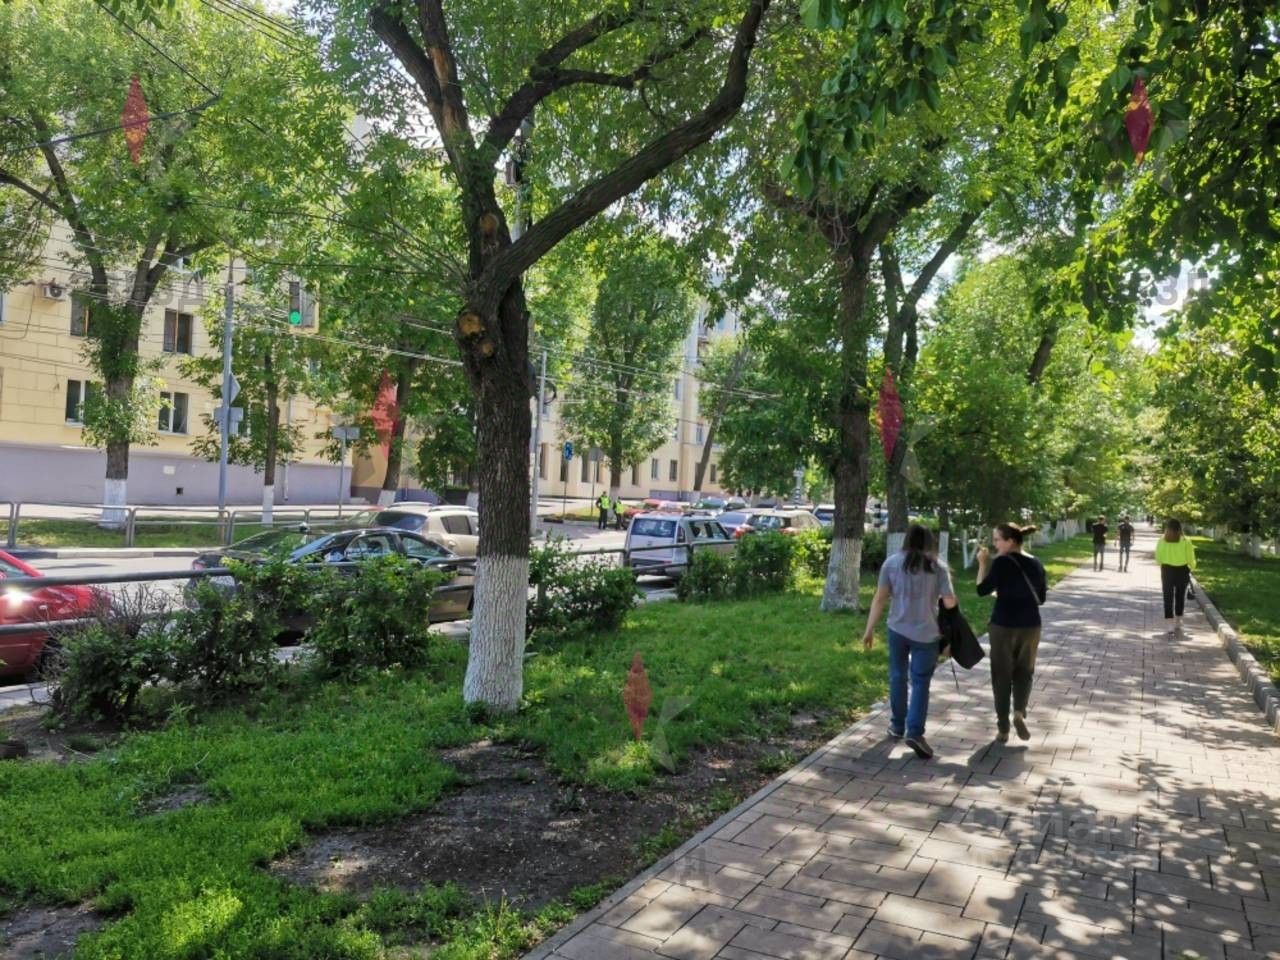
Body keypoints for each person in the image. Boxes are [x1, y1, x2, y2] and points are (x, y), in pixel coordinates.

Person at [861, 524, 958, 760]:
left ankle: (897, 725)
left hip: (897, 629)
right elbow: (950, 603)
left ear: (906, 540)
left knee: (897, 676)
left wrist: (869, 629)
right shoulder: (938, 567)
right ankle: (914, 732)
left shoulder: (891, 563)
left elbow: (880, 598)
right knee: (921, 682)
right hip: (927, 633)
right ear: (929, 542)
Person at [976, 523, 1048, 743]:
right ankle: (1018, 711)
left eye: (997, 539)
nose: (995, 544)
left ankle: (1003, 728)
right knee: (1025, 671)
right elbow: (1041, 598)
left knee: (1001, 675)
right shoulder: (1036, 563)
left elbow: (981, 589)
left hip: (1003, 625)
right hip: (1030, 625)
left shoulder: (1001, 562)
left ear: (1011, 541)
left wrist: (982, 563)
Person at [1155, 518, 1197, 636]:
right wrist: (1192, 567)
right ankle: (1178, 621)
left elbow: (1158, 557)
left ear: (1167, 528)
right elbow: (1190, 557)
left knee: (1167, 596)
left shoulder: (1162, 540)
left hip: (1167, 570)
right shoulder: (1186, 540)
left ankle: (1169, 624)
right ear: (1180, 528)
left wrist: (1164, 562)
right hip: (1182, 570)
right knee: (1180, 596)